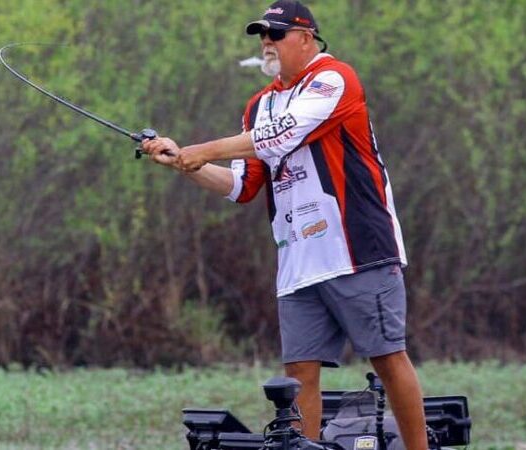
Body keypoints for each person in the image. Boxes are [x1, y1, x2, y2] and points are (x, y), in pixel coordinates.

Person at [141, 1, 429, 448]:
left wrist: (203, 148)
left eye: (275, 34)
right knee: (298, 375)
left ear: (306, 39)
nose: (266, 43)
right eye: (262, 36)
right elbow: (242, 186)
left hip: (357, 251)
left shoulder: (334, 78)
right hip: (297, 262)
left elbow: (282, 136)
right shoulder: (258, 105)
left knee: (388, 359)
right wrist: (184, 162)